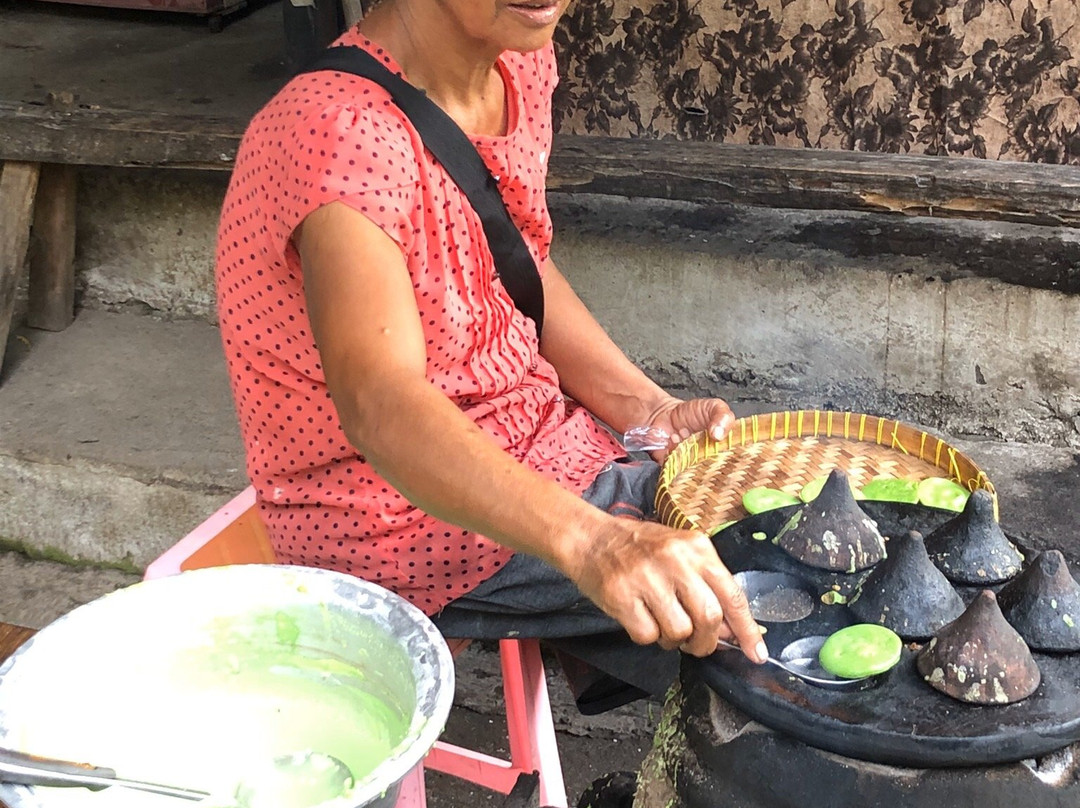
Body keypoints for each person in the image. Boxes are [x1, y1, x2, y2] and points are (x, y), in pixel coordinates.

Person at [215, 0, 766, 714]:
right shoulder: (340, 134)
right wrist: (595, 544)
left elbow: (516, 266)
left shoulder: (517, 61)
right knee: (770, 574)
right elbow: (381, 407)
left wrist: (648, 412)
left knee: (771, 515)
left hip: (532, 432)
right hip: (388, 512)